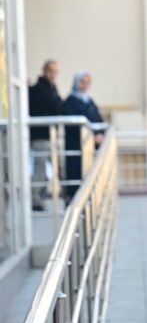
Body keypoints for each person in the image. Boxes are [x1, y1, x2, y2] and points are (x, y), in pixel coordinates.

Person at [62, 70, 105, 199]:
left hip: (92, 147)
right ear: (76, 82)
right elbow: (72, 124)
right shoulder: (70, 101)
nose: (85, 85)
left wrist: (100, 134)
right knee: (75, 174)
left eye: (88, 82)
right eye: (82, 82)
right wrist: (91, 135)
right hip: (76, 146)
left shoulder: (89, 101)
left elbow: (98, 119)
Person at [28, 59, 63, 210]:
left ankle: (67, 194)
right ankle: (35, 199)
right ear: (44, 71)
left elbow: (58, 106)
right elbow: (55, 105)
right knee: (41, 168)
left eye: (56, 71)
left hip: (50, 135)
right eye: (51, 71)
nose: (53, 74)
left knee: (59, 166)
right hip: (40, 136)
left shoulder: (51, 87)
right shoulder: (39, 89)